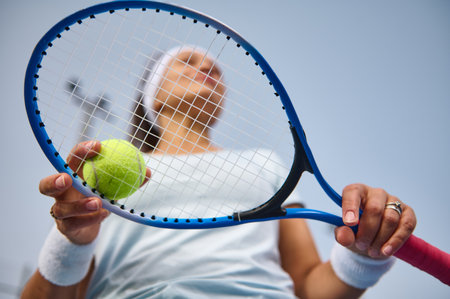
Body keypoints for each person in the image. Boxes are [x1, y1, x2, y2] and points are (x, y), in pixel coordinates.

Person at [21, 46, 416, 298]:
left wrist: (365, 256)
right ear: (152, 95)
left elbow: (311, 286)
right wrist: (71, 243)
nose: (207, 66)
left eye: (213, 67)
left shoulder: (265, 163)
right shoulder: (96, 173)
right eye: (187, 62)